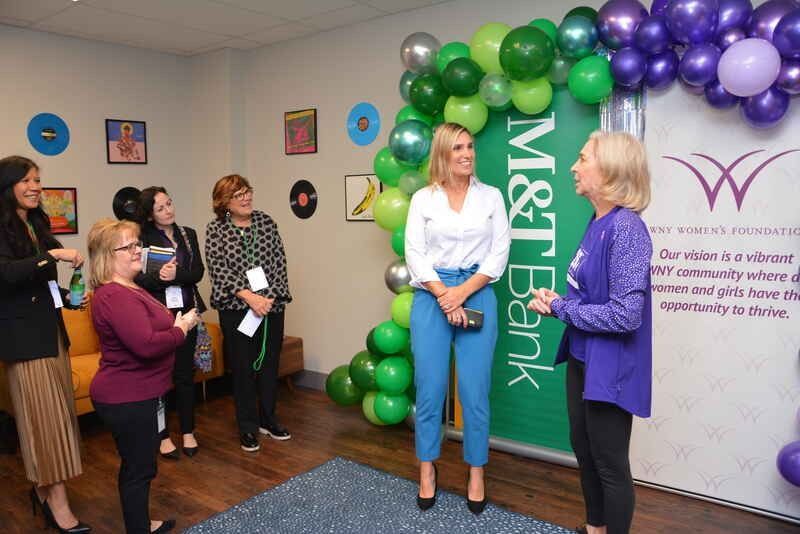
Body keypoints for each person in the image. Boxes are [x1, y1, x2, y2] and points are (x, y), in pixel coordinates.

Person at [527, 131, 653, 534]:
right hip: (583, 358)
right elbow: (592, 294)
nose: (574, 167)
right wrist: (558, 302)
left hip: (610, 367)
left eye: (583, 159)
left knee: (610, 464)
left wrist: (562, 308)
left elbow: (626, 315)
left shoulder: (627, 228)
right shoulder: (598, 221)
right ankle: (594, 528)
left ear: (611, 169)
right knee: (584, 449)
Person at [404, 123, 510, 514]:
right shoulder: (423, 199)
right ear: (443, 154)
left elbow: (499, 253)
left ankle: (476, 472)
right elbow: (414, 253)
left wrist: (461, 294)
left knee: (474, 391)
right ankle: (427, 470)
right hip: (431, 297)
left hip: (476, 292)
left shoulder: (491, 197)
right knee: (430, 388)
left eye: (470, 146)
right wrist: (444, 296)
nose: (467, 154)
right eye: (458, 148)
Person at [88, 218, 199, 534]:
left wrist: (174, 325)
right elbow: (146, 345)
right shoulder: (113, 295)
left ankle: (141, 523)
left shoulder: (131, 287)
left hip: (142, 394)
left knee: (141, 466)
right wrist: (181, 329)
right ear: (108, 256)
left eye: (137, 243)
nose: (138, 250)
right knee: (138, 469)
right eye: (128, 246)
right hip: (126, 396)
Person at [0, 156, 91, 533]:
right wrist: (51, 255)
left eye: (37, 179)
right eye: (26, 180)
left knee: (60, 417)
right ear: (7, 186)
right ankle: (58, 504)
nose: (35, 186)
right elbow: (6, 274)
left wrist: (69, 299)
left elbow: (45, 283)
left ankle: (42, 490)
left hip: (52, 334)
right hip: (24, 341)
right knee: (43, 423)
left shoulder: (36, 224)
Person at [205, 174, 292, 452]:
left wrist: (268, 298)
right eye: (238, 195)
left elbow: (279, 262)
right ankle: (247, 427)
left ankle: (269, 419)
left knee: (269, 365)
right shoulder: (216, 229)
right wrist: (250, 297)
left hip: (270, 306)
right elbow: (218, 270)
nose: (246, 198)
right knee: (243, 369)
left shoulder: (266, 222)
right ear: (224, 202)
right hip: (236, 309)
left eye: (248, 192)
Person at [135, 186, 206, 459]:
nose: (168, 210)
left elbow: (197, 272)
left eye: (170, 203)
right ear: (150, 215)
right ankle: (162, 435)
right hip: (158, 315)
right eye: (161, 208)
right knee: (160, 378)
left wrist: (177, 275)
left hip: (187, 312)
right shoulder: (142, 238)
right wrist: (160, 278)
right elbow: (139, 279)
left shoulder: (188, 234)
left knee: (185, 375)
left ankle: (188, 431)